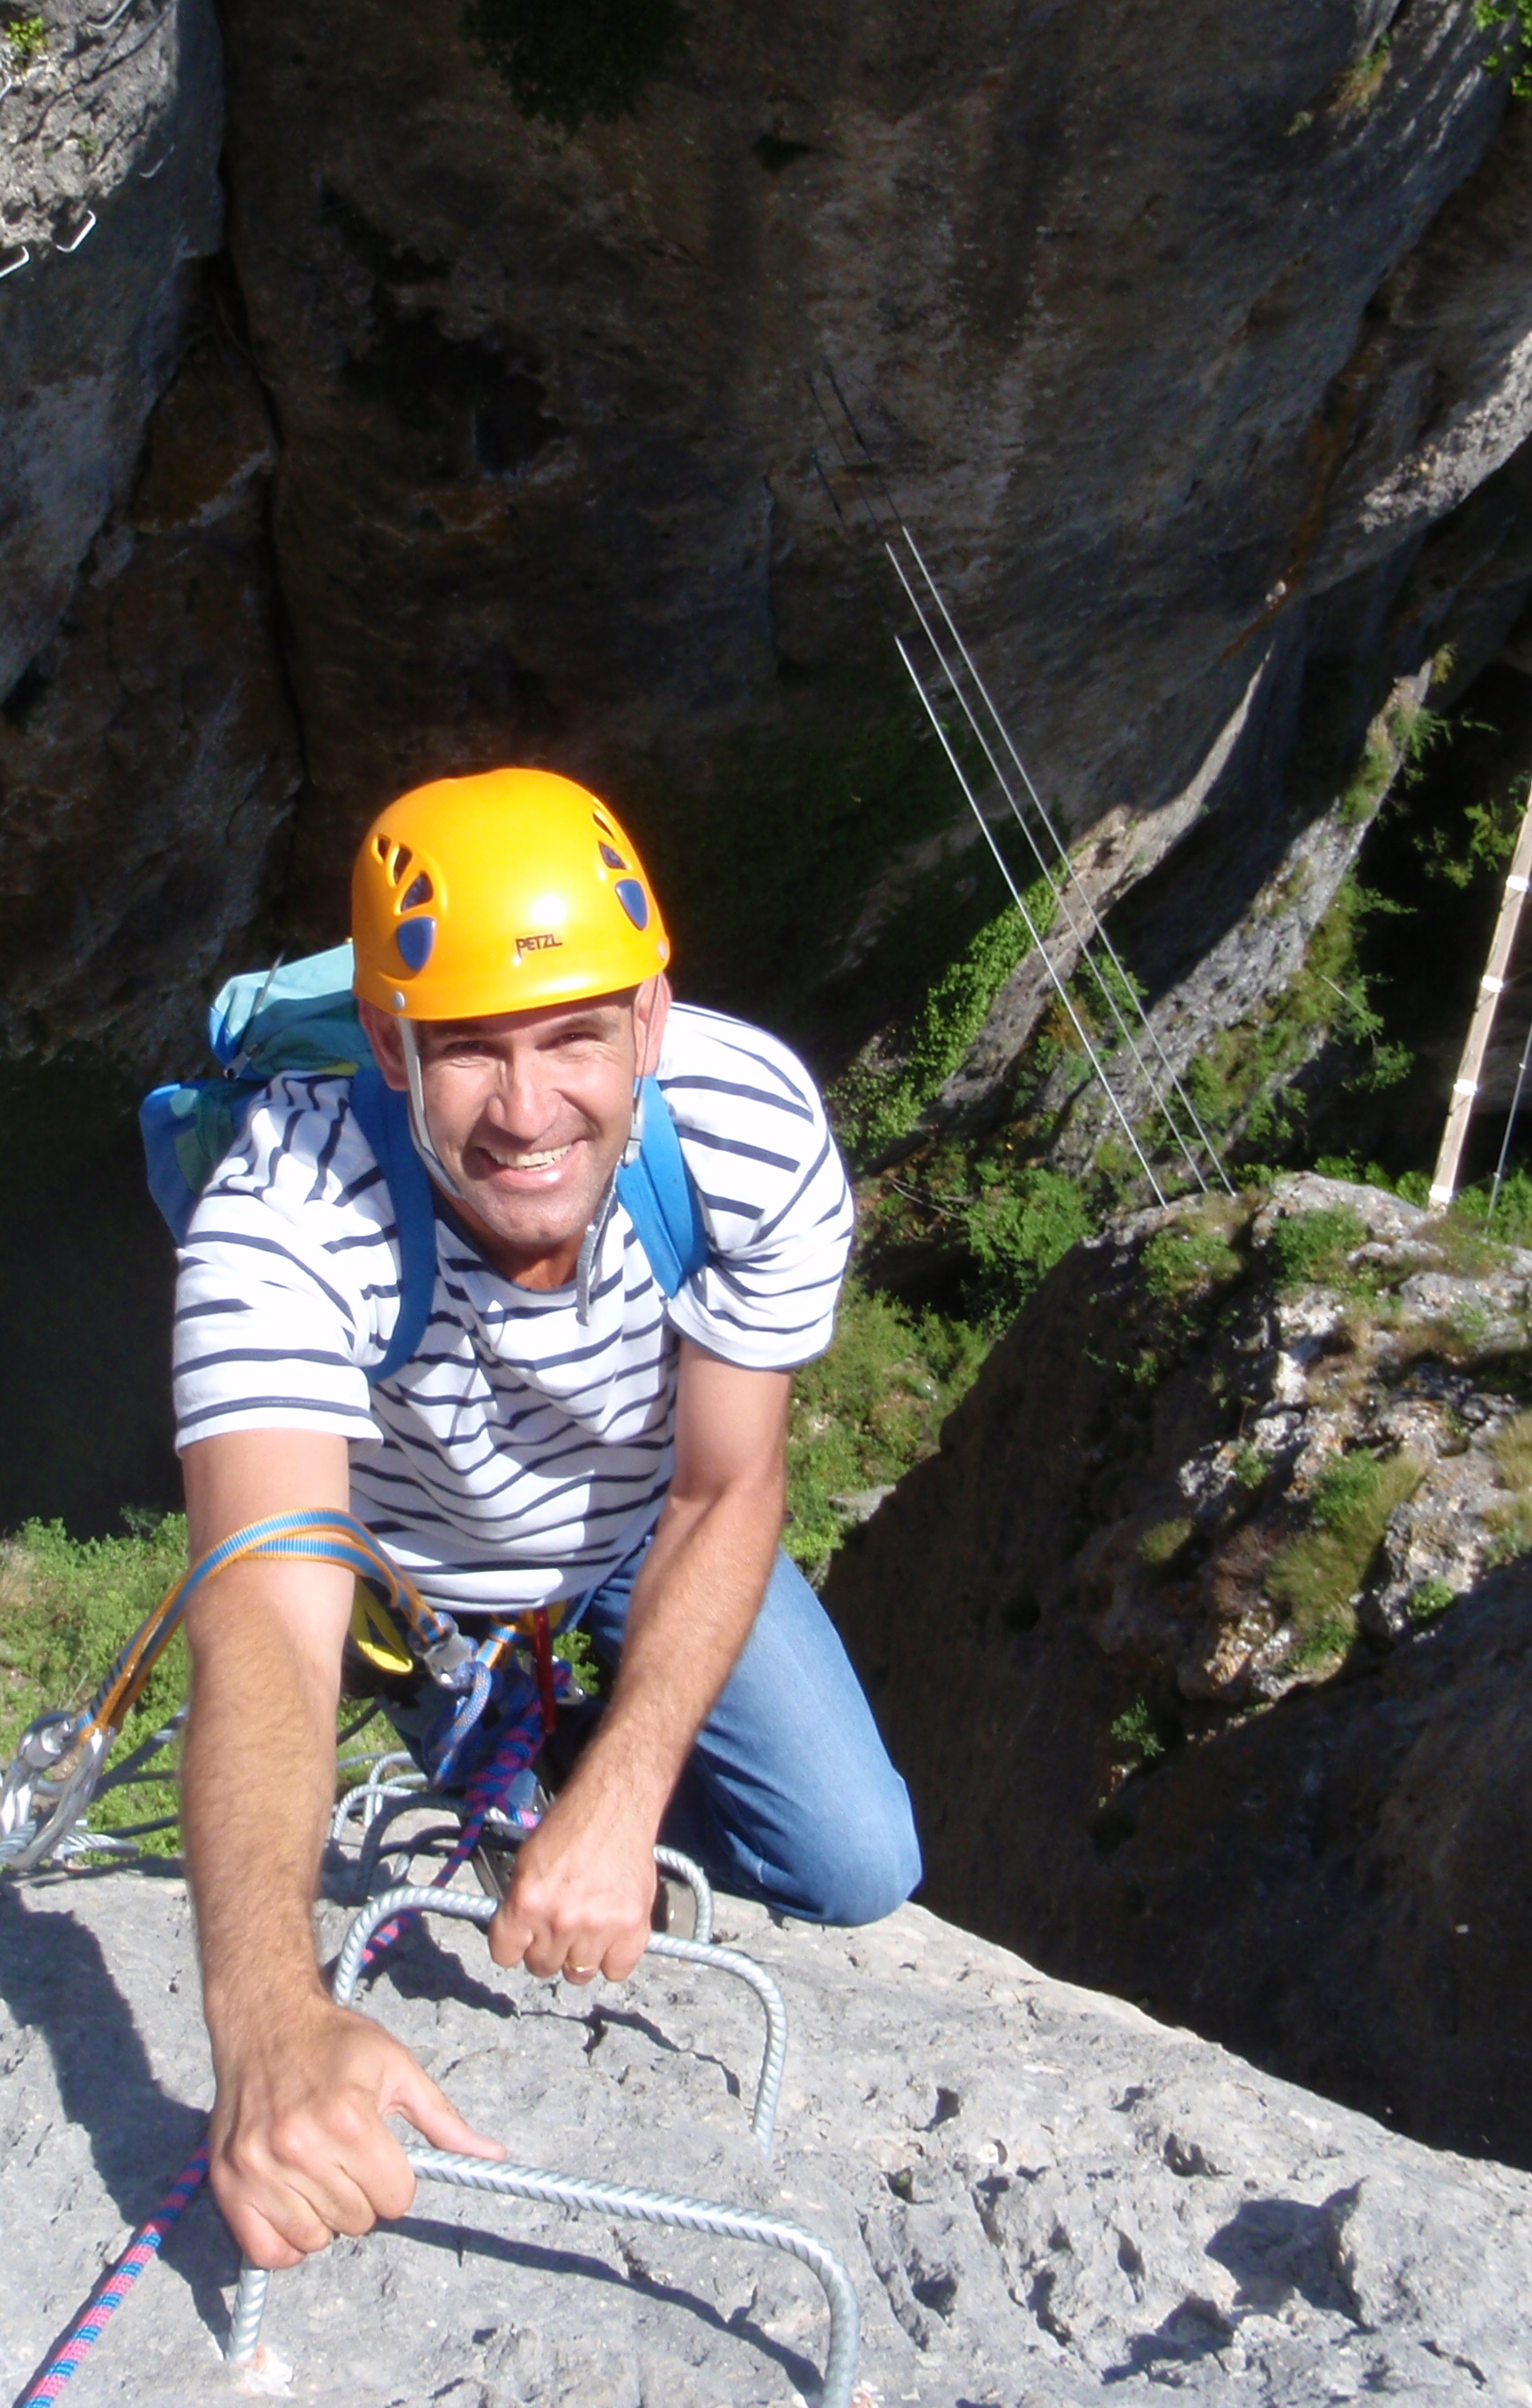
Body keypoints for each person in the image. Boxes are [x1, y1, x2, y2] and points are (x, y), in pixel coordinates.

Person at [171, 766, 920, 2271]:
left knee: (856, 1865)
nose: (526, 1112)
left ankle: (580, 1778)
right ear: (385, 1044)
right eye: (463, 1052)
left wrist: (626, 1796)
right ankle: (521, 1778)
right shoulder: (284, 1212)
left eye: (574, 1035)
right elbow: (264, 1591)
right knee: (531, 1871)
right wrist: (265, 2020)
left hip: (651, 1531)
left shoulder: (742, 1126)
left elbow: (727, 1484)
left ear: (648, 1018)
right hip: (430, 1592)